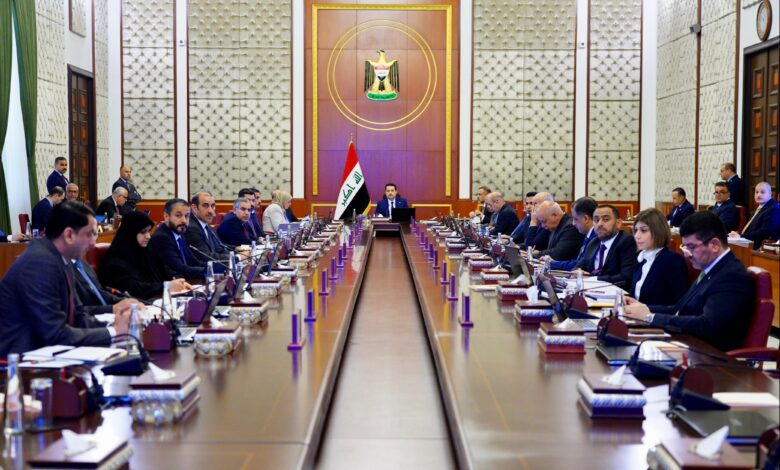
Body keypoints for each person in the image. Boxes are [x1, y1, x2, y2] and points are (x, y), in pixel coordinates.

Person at [0, 202, 134, 356]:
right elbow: (55, 334)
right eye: (90, 234)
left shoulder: (61, 258)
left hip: (49, 353)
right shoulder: (40, 263)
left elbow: (77, 317)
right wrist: (114, 332)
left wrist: (115, 323)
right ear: (69, 235)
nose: (93, 242)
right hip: (21, 361)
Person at [625, 211, 754, 352]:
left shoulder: (731, 276)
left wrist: (650, 317)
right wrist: (642, 308)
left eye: (691, 247)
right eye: (684, 247)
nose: (687, 254)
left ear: (715, 245)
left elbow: (707, 325)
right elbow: (679, 309)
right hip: (690, 343)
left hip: (709, 355)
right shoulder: (711, 269)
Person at [100, 211, 192, 300]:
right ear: (130, 233)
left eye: (148, 231)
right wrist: (166, 286)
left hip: (158, 300)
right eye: (143, 232)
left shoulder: (147, 251)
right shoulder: (116, 260)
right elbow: (133, 288)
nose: (148, 236)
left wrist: (179, 280)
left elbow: (167, 270)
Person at [629, 208, 689, 306]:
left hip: (657, 315)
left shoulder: (672, 261)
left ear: (658, 231)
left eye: (643, 230)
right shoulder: (641, 257)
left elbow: (680, 305)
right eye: (635, 230)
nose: (637, 236)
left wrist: (645, 309)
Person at [575, 205, 637, 288]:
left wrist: (594, 279)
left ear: (618, 223)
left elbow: (626, 277)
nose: (600, 224)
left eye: (606, 219)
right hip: (590, 289)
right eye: (596, 220)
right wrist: (577, 273)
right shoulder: (593, 242)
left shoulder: (626, 241)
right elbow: (579, 266)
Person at [148, 198, 208, 279]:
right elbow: (180, 268)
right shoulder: (162, 237)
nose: (184, 220)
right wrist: (209, 271)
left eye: (187, 216)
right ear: (166, 216)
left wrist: (217, 267)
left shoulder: (179, 233)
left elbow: (193, 261)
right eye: (178, 215)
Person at [549, 197, 598, 271]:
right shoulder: (588, 235)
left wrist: (552, 263)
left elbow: (579, 264)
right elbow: (578, 262)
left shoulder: (595, 238)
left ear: (586, 219)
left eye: (575, 219)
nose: (573, 223)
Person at [185, 191, 234, 263]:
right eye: (205, 206)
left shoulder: (206, 224)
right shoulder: (191, 228)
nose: (210, 211)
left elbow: (219, 248)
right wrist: (236, 258)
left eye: (212, 206)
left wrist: (237, 255)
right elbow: (206, 256)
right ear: (194, 208)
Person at [729, 182, 780, 248]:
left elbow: (765, 232)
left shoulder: (774, 209)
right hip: (748, 243)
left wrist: (741, 237)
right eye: (756, 192)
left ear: (770, 194)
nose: (758, 195)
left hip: (761, 247)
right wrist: (738, 234)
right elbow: (751, 231)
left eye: (762, 192)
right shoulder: (759, 208)